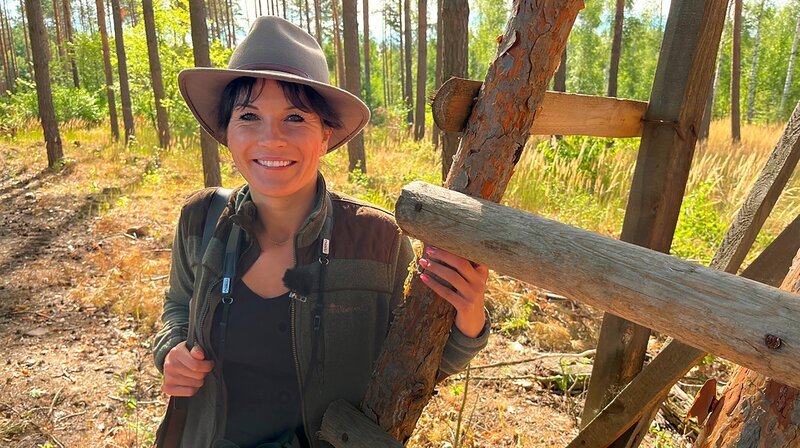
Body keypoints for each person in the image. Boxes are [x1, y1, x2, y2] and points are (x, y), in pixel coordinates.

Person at [152, 16, 490, 448]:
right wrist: (172, 351)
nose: (271, 139)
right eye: (249, 116)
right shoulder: (201, 220)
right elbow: (178, 306)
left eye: (295, 117)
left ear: (326, 135)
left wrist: (469, 314)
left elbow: (418, 363)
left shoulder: (377, 240)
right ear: (226, 131)